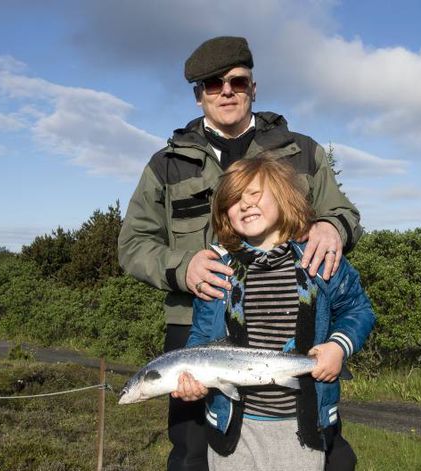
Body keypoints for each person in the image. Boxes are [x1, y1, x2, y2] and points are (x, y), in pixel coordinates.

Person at [118, 36, 363, 471]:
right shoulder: (166, 163)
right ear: (198, 96)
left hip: (293, 321)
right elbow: (132, 244)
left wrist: (331, 225)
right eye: (213, 85)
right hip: (198, 325)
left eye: (237, 81)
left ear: (254, 87)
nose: (226, 91)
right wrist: (182, 268)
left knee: (322, 445)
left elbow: (343, 211)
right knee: (197, 451)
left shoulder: (301, 150)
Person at [172, 156, 376, 470]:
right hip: (232, 430)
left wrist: (338, 346)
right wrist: (191, 377)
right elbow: (201, 337)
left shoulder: (318, 258)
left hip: (299, 429)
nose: (244, 205)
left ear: (284, 197)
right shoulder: (216, 269)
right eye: (234, 200)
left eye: (255, 195)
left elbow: (358, 309)